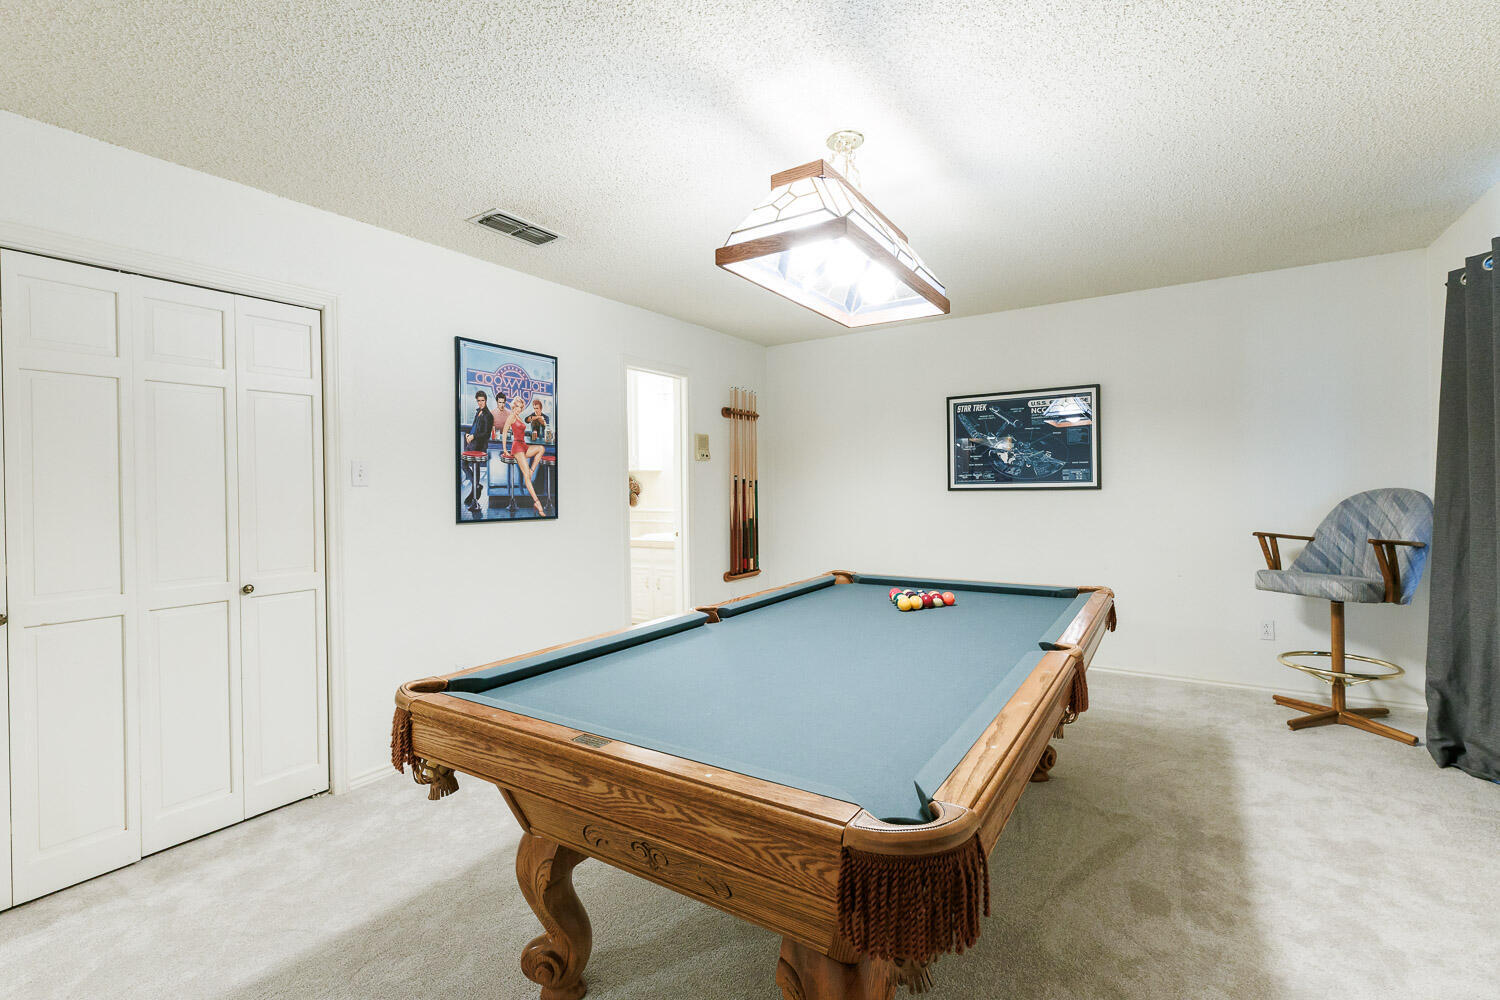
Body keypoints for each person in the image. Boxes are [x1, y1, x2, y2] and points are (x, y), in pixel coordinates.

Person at [500, 396, 546, 516]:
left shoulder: (518, 417)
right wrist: (505, 449)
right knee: (527, 478)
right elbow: (505, 432)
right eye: (517, 407)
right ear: (513, 406)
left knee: (541, 448)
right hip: (517, 448)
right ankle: (537, 503)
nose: (519, 409)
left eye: (521, 407)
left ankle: (531, 470)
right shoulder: (511, 416)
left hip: (524, 445)